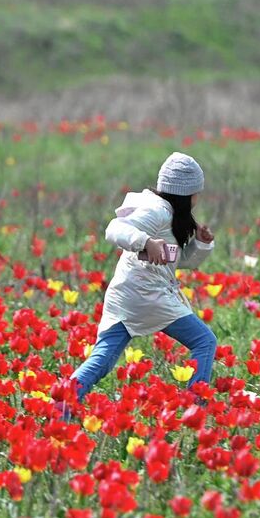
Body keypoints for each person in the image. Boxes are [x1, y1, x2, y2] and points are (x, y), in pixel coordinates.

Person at [69, 151, 217, 402]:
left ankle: (61, 406)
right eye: (196, 193)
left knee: (102, 360)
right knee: (205, 342)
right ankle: (197, 406)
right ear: (185, 193)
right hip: (147, 294)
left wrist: (200, 245)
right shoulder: (157, 212)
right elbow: (114, 229)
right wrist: (145, 241)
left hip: (126, 294)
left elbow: (175, 261)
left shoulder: (168, 214)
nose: (197, 199)